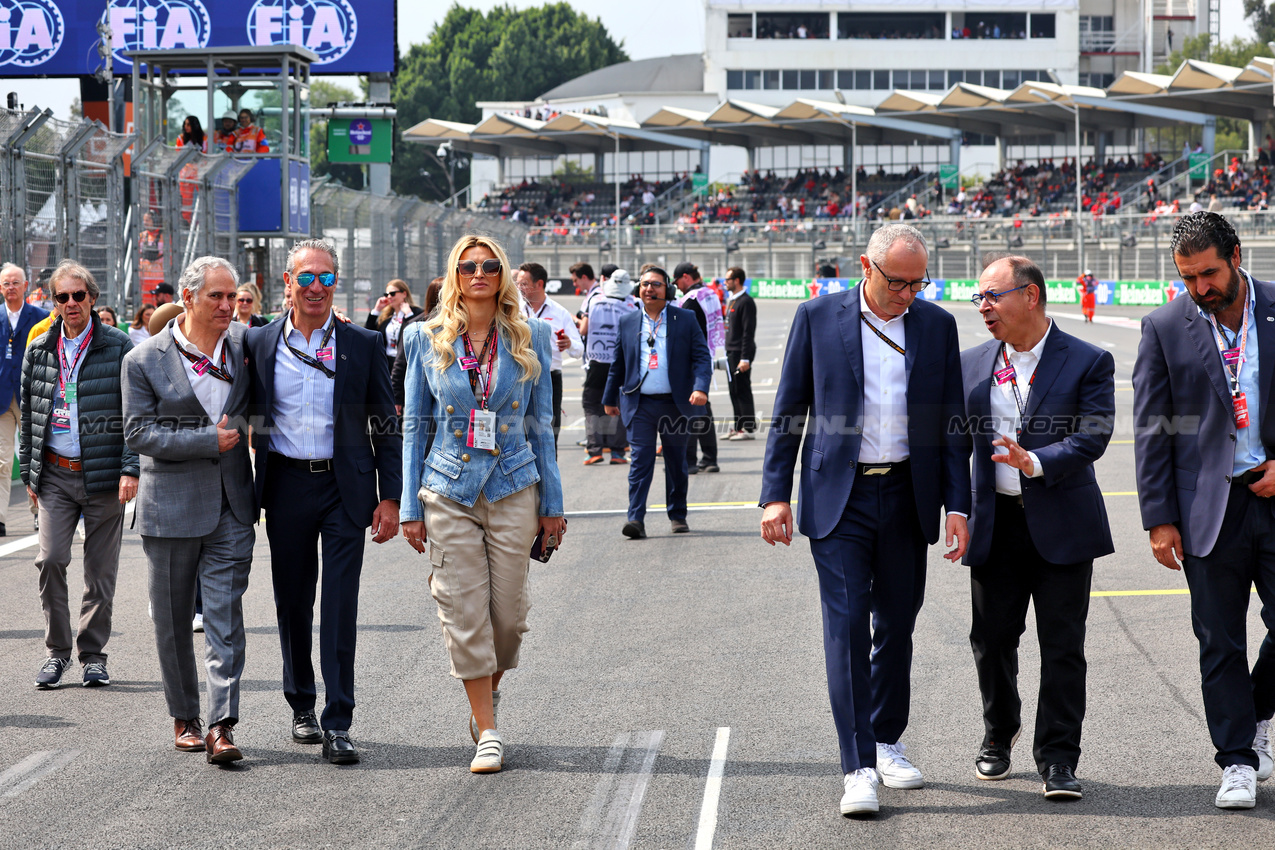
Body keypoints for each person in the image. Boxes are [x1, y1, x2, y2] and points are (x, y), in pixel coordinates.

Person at [758, 223, 971, 816]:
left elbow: (951, 420)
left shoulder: (936, 325)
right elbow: (788, 409)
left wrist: (959, 504)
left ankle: (885, 738)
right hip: (839, 496)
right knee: (849, 623)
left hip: (908, 493)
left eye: (917, 283)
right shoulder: (818, 317)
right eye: (897, 281)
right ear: (865, 266)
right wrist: (776, 493)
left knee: (897, 624)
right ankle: (856, 766)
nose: (907, 293)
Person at [399, 234, 565, 774]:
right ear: (454, 275)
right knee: (464, 610)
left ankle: (484, 700)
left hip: (514, 484)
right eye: (468, 267)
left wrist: (553, 504)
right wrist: (408, 506)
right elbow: (413, 428)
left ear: (503, 274)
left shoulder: (532, 334)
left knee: (508, 620)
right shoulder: (424, 338)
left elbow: (544, 427)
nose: (479, 274)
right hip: (448, 489)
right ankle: (487, 729)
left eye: (489, 265)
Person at [1132, 211, 1275, 809]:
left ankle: (1256, 711)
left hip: (1271, 491)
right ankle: (1237, 760)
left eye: (1209, 273)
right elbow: (1152, 428)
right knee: (1219, 640)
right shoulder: (1165, 325)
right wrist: (1159, 517)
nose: (1199, 289)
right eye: (1188, 278)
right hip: (1205, 509)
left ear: (1236, 255)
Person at [962, 256, 1115, 800]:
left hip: (1062, 522)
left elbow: (1094, 434)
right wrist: (957, 511)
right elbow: (960, 446)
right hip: (995, 523)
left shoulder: (1089, 359)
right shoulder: (973, 363)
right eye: (978, 297)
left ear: (1030, 296)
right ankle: (998, 734)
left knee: (1063, 645)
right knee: (992, 640)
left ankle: (1057, 758)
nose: (983, 306)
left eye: (992, 295)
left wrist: (1036, 462)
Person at [244, 238, 401, 765]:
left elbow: (386, 425)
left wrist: (391, 497)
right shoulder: (258, 343)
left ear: (337, 282)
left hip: (344, 489)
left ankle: (338, 720)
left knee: (338, 605)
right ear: (287, 283)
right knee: (292, 602)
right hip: (285, 485)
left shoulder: (364, 343)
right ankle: (301, 705)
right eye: (306, 277)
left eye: (327, 277)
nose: (316, 287)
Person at [122, 256, 256, 764]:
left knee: (225, 617)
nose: (228, 306)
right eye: (217, 297)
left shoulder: (247, 345)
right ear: (189, 296)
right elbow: (137, 433)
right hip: (170, 507)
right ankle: (186, 716)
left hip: (232, 506)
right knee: (175, 621)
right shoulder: (144, 359)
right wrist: (208, 441)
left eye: (232, 296)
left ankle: (222, 724)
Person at [21, 260, 138, 689]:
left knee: (100, 573)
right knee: (50, 559)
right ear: (54, 302)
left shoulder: (119, 346)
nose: (70, 303)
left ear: (92, 298)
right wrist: (32, 477)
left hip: (105, 476)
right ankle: (57, 652)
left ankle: (92, 654)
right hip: (54, 473)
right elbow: (30, 417)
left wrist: (130, 468)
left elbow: (134, 414)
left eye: (78, 295)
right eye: (61, 297)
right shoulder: (38, 349)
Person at [603, 266, 712, 538]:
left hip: (675, 404)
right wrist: (608, 397)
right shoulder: (628, 321)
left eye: (656, 284)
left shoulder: (685, 319)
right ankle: (635, 519)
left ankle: (677, 514)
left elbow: (701, 357)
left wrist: (700, 388)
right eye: (644, 284)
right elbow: (618, 364)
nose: (649, 289)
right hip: (639, 404)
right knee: (641, 460)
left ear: (669, 290)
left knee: (676, 461)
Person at [0, 263, 49, 536]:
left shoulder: (41, 317)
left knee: (34, 456)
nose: (11, 287)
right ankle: (0, 518)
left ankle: (40, 514)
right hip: (1, 399)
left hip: (33, 395)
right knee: (2, 460)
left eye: (15, 282)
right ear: (0, 288)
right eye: (6, 283)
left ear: (25, 285)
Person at [516, 262, 583, 453]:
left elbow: (578, 350)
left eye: (524, 283)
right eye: (518, 283)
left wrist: (569, 344)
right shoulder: (513, 310)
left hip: (550, 377)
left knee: (549, 433)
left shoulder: (559, 312)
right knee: (518, 433)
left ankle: (548, 478)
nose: (519, 288)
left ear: (539, 284)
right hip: (520, 376)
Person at [580, 269, 638, 465]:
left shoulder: (594, 300)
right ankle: (618, 451)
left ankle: (594, 450)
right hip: (621, 362)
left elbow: (583, 329)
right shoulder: (633, 304)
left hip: (596, 361)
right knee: (619, 405)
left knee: (591, 405)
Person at [671, 262, 723, 474]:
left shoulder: (691, 300)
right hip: (709, 354)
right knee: (703, 408)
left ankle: (689, 461)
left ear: (686, 277)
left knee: (688, 409)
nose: (678, 287)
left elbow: (686, 332)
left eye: (678, 282)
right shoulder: (709, 293)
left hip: (693, 359)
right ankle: (710, 458)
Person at [392, 277, 443, 411]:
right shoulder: (416, 325)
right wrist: (396, 396)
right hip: (423, 390)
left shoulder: (460, 324)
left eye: (392, 293)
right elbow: (401, 361)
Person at [723, 266, 757, 440]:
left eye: (727, 280)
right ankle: (738, 426)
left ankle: (747, 428)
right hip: (731, 351)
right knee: (733, 390)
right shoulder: (732, 300)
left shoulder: (746, 302)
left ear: (736, 281)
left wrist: (745, 358)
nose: (725, 283)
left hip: (740, 353)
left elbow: (747, 332)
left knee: (742, 390)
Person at [365, 279, 422, 373]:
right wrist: (377, 310)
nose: (389, 297)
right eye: (386, 294)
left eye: (392, 293)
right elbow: (369, 333)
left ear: (404, 294)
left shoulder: (416, 313)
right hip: (387, 364)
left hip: (406, 364)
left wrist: (408, 315)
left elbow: (416, 335)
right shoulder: (387, 317)